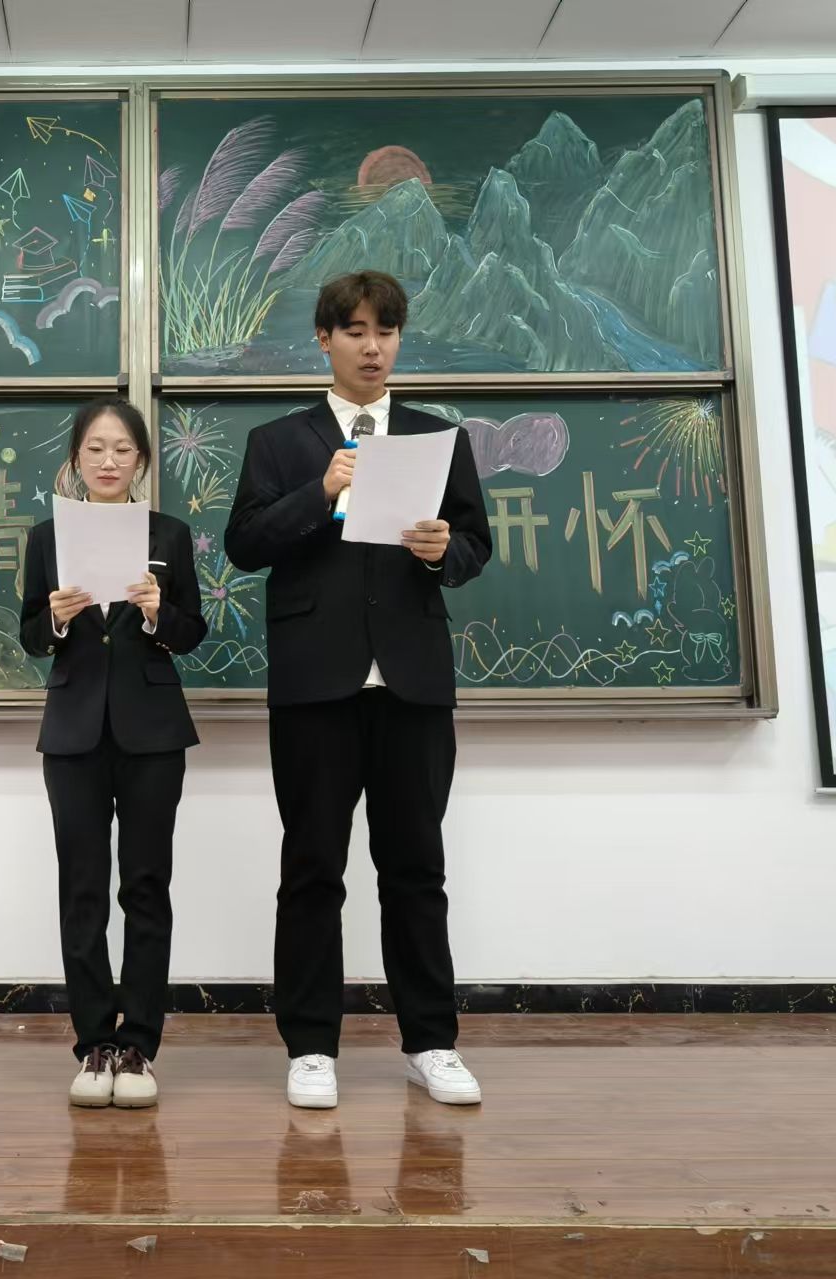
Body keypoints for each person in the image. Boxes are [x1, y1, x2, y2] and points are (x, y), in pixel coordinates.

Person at [225, 271, 492, 1109]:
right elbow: (243, 543)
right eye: (356, 331)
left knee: (416, 867)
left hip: (412, 682)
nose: (373, 347)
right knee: (312, 867)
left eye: (387, 331)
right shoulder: (280, 441)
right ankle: (310, 1045)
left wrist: (445, 550)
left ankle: (431, 1041)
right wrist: (321, 491)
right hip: (316, 684)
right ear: (325, 339)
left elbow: (475, 545)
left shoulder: (437, 437)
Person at [20, 396, 208, 1109]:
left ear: (141, 461)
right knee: (83, 889)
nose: (108, 461)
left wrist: (158, 613)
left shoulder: (169, 534)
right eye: (96, 449)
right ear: (76, 458)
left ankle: (139, 1046)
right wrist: (55, 619)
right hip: (72, 730)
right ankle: (94, 1043)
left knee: (146, 886)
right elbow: (29, 635)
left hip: (153, 731)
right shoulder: (47, 537)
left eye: (122, 450)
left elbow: (193, 631)